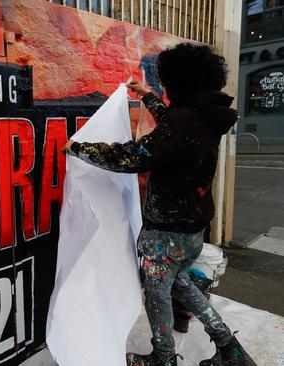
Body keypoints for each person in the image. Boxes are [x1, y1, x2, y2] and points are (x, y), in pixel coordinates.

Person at [62, 43, 256, 366]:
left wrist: (79, 148)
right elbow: (173, 123)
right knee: (183, 286)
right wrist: (146, 96)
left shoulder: (184, 122)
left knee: (157, 295)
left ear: (180, 81)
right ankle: (230, 348)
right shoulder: (203, 115)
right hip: (191, 231)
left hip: (167, 236)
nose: (164, 89)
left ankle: (164, 359)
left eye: (166, 84)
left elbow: (135, 156)